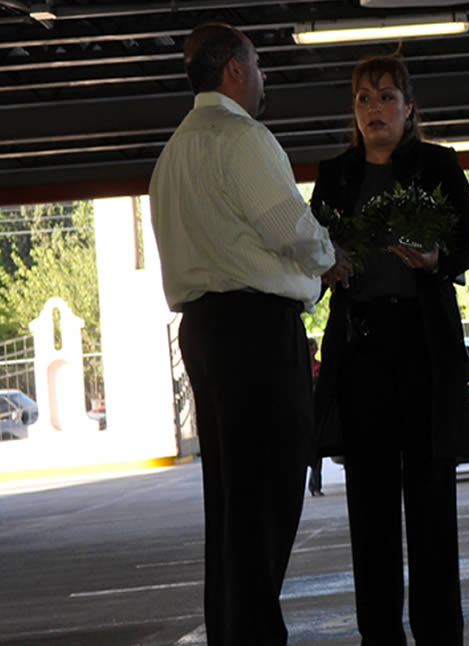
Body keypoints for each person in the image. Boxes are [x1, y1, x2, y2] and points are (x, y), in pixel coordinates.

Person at [149, 23, 340, 646]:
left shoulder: (173, 152)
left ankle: (234, 630)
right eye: (257, 65)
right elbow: (290, 227)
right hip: (255, 332)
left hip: (204, 333)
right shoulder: (243, 138)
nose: (263, 78)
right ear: (233, 70)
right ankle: (257, 634)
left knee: (230, 503)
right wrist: (330, 259)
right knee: (268, 497)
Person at [310, 53, 469, 645]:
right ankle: (380, 636)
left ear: (409, 109)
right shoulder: (334, 176)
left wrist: (439, 261)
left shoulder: (438, 165)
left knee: (432, 506)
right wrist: (325, 269)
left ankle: (440, 635)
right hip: (362, 351)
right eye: (363, 98)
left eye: (386, 96)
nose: (374, 108)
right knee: (372, 512)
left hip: (424, 348)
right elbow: (310, 251)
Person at [307, 337, 325, 496]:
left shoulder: (319, 367)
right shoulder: (301, 369)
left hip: (315, 409)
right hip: (305, 409)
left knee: (318, 449)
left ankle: (315, 486)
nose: (312, 351)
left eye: (314, 348)